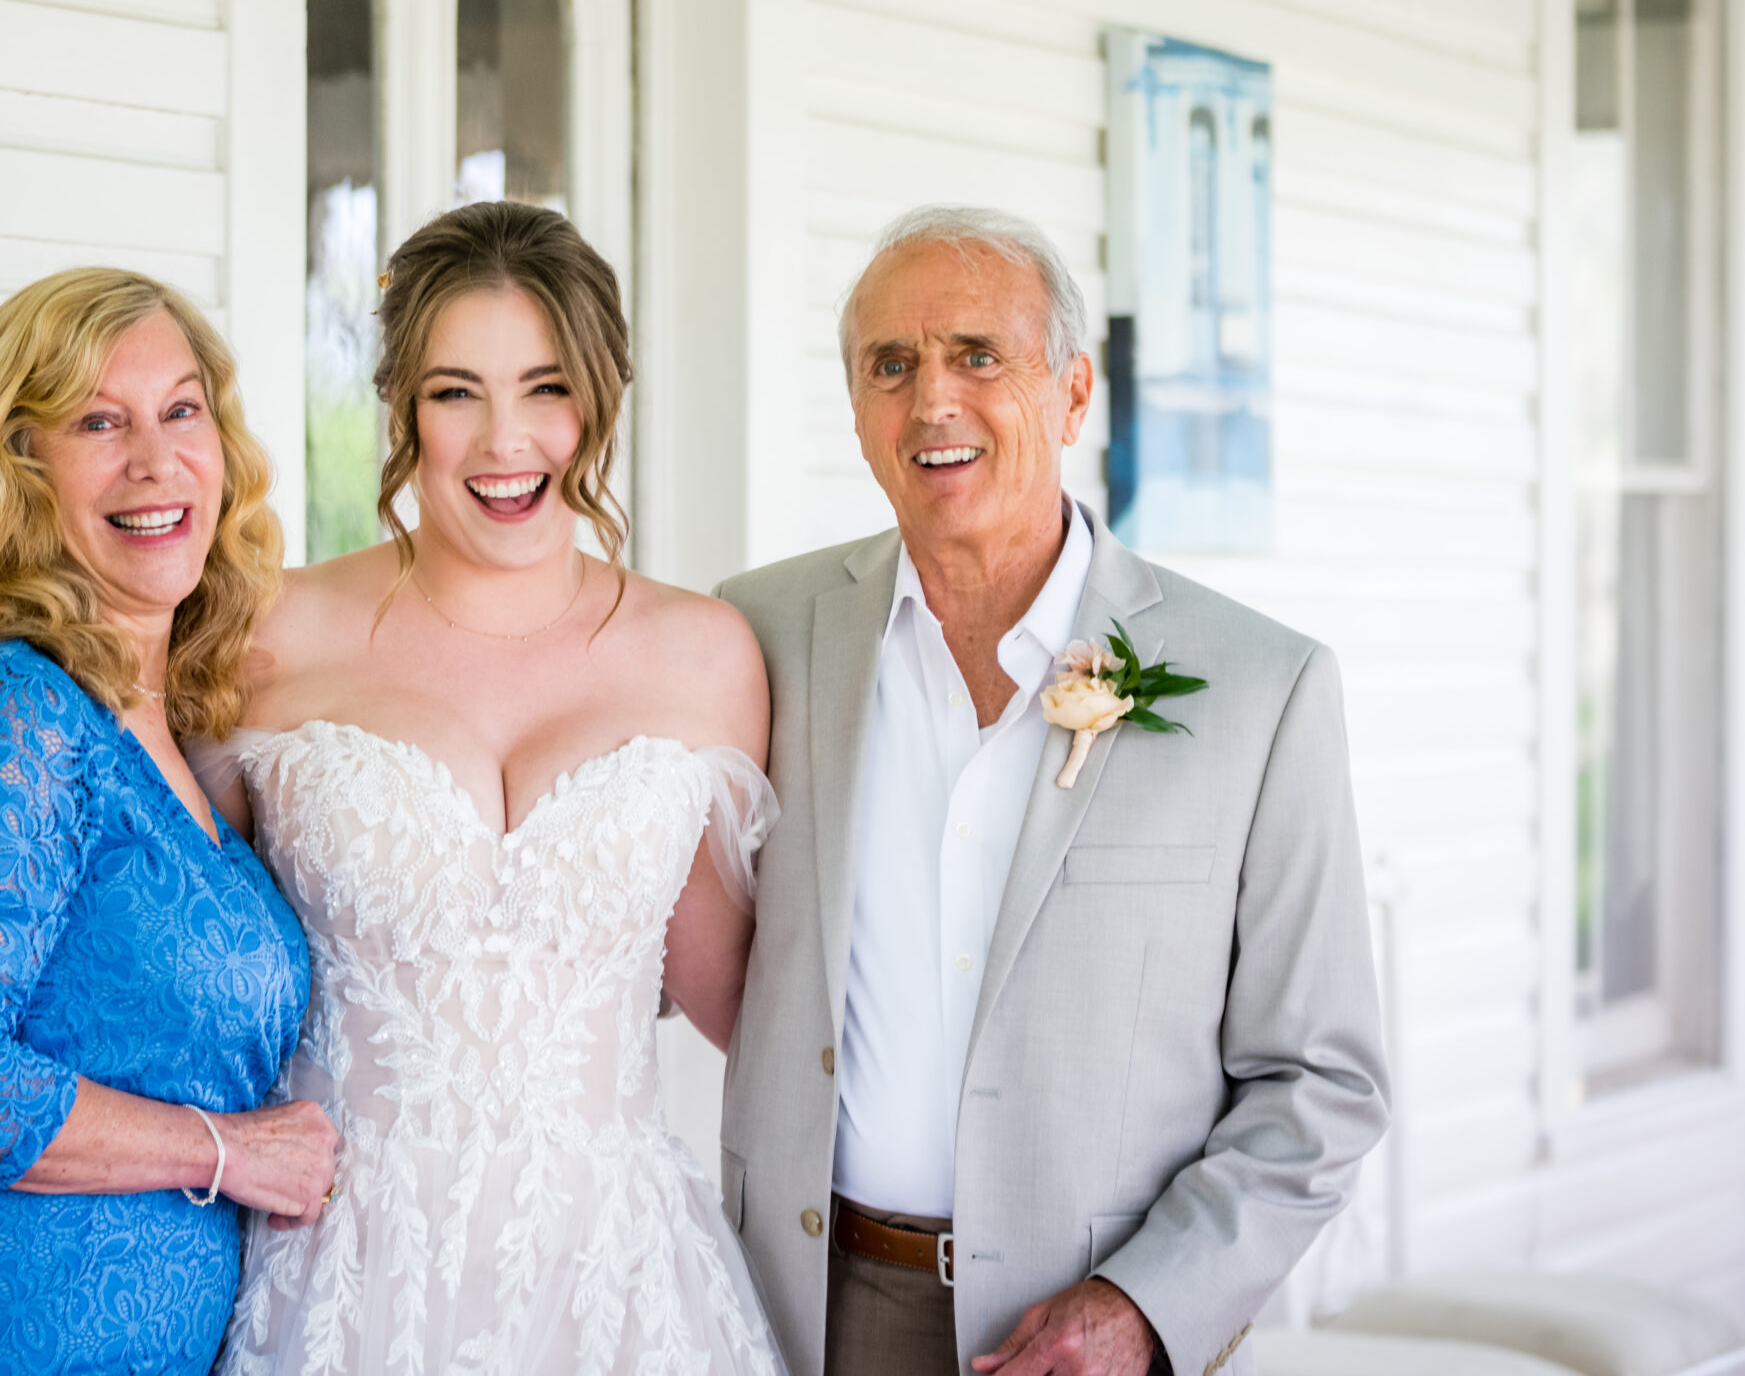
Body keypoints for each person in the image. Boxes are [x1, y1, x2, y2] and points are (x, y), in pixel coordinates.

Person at [717, 206, 1389, 1376]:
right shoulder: (754, 636)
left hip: (1087, 1339)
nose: (931, 400)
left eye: (978, 356)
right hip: (807, 1312)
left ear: (1073, 393)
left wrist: (1144, 1307)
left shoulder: (1261, 687)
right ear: (858, 409)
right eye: (890, 365)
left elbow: (1319, 1084)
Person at [197, 202, 787, 1376]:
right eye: (455, 392)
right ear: (401, 407)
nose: (504, 441)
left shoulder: (707, 656)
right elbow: (183, 952)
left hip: (617, 1287)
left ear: (601, 399)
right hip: (338, 1269)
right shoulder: (266, 633)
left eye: (546, 388)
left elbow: (744, 1002)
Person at [0, 269, 337, 1376]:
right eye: (99, 422)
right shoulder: (16, 706)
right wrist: (227, 1151)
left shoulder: (163, 723)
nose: (154, 459)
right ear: (21, 469)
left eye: (180, 410)